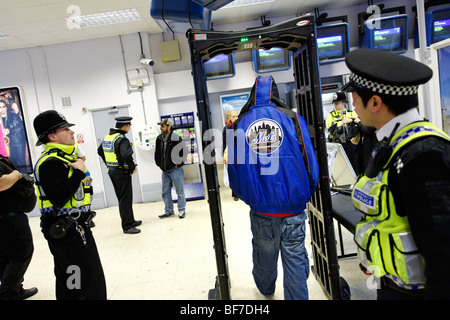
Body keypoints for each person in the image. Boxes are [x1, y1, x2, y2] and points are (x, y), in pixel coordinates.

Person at [343, 49, 450, 300]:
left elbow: (444, 250)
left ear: (375, 102)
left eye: (355, 97)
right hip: (392, 284)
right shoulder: (390, 142)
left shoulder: (424, 154)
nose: (353, 105)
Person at [227, 75, 319, 300]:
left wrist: (248, 196)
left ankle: (266, 290)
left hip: (261, 209)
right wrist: (306, 192)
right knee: (295, 258)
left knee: (264, 255)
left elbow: (233, 170)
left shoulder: (239, 124)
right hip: (293, 207)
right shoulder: (294, 119)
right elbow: (310, 161)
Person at [33, 110, 106, 300]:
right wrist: (78, 174)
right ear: (52, 136)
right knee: (77, 279)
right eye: (66, 129)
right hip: (65, 230)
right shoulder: (50, 162)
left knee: (84, 276)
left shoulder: (65, 158)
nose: (72, 132)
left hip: (76, 227)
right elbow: (59, 198)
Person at [0, 155, 37, 300]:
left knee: (5, 256)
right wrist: (16, 175)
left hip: (9, 216)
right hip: (8, 217)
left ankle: (11, 289)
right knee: (22, 253)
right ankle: (9, 293)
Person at [98, 116, 141, 234]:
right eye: (129, 126)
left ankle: (130, 220)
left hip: (112, 171)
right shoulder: (122, 139)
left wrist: (109, 163)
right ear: (125, 126)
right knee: (125, 199)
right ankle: (127, 226)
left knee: (122, 198)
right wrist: (132, 167)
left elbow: (99, 151)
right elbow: (126, 156)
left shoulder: (108, 137)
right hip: (122, 172)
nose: (129, 128)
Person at [154, 118, 187, 219]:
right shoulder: (159, 138)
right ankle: (169, 211)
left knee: (179, 191)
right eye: (160, 126)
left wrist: (179, 163)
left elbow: (184, 152)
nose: (161, 128)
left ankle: (181, 210)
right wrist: (159, 164)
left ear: (169, 127)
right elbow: (157, 153)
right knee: (165, 191)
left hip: (175, 170)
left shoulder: (176, 138)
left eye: (163, 126)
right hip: (164, 170)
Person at [326, 91, 359, 172]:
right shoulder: (331, 115)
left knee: (354, 164)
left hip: (350, 143)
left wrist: (349, 120)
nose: (335, 105)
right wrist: (341, 122)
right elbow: (330, 126)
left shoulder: (350, 113)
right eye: (335, 103)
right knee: (339, 167)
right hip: (337, 143)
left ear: (344, 103)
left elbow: (358, 121)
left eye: (337, 103)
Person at [222, 110, 239, 201]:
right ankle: (235, 194)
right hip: (230, 154)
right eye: (233, 116)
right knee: (232, 174)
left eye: (237, 116)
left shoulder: (241, 126)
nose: (236, 118)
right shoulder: (226, 129)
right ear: (229, 118)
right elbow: (224, 143)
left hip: (240, 153)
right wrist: (223, 156)